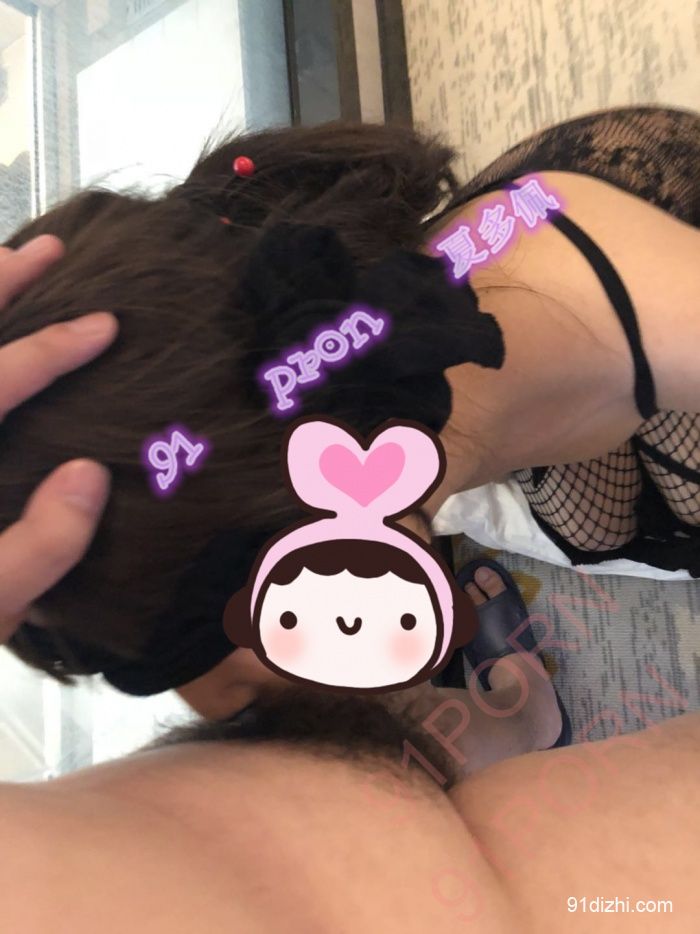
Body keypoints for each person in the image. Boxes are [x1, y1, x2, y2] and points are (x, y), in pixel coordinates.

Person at [0, 107, 699, 726]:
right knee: (595, 526)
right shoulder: (380, 352)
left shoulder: (662, 313)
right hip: (557, 374)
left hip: (636, 269)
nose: (214, 705)